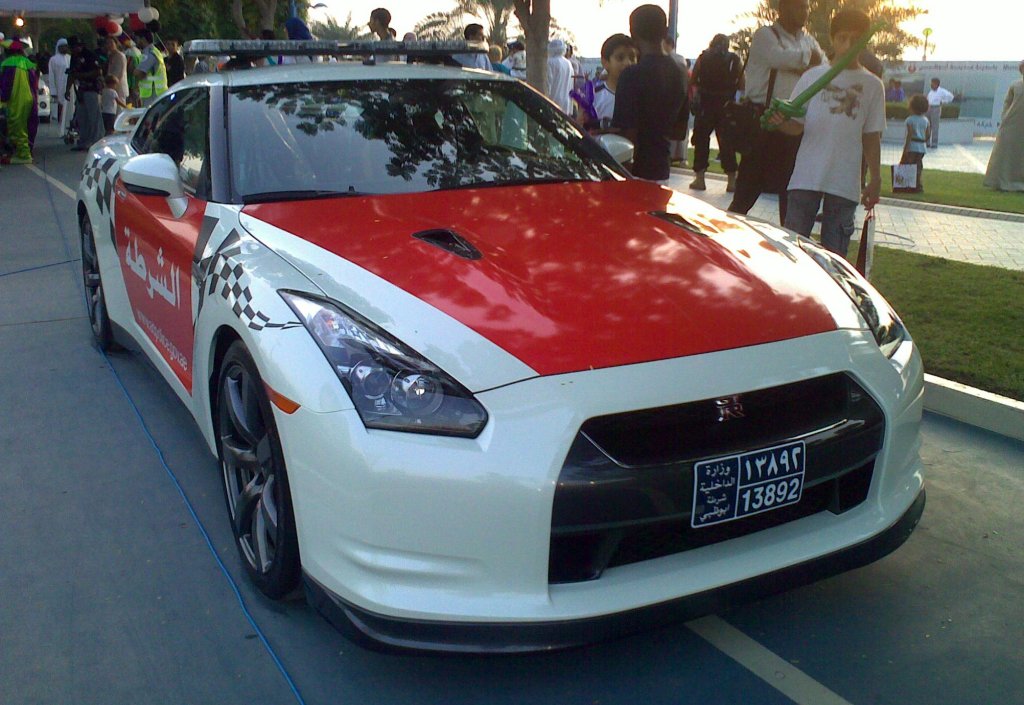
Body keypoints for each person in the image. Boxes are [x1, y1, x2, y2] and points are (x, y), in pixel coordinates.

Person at [766, 8, 885, 258]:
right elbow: (796, 125)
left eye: (856, 39)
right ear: (832, 39)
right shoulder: (812, 77)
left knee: (835, 257)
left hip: (844, 183)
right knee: (792, 253)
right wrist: (779, 122)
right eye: (842, 38)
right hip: (806, 178)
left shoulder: (873, 85)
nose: (848, 45)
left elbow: (871, 136)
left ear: (865, 41)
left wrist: (875, 178)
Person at [727, 0, 823, 225]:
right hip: (764, 123)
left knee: (789, 197)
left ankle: (787, 250)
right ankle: (723, 244)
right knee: (745, 195)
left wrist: (802, 61)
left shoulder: (808, 40)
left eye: (806, 7)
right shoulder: (765, 36)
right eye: (799, 6)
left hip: (793, 127)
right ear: (782, 9)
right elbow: (781, 58)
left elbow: (822, 66)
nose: (805, 12)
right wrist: (806, 60)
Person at [612, 5, 687, 182]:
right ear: (666, 31)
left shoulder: (631, 75)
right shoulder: (680, 73)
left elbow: (627, 136)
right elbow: (679, 132)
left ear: (632, 33)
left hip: (634, 172)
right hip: (662, 169)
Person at [689, 33, 743, 192]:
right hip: (726, 105)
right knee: (727, 143)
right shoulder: (734, 59)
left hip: (706, 105)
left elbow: (694, 80)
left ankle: (700, 180)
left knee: (701, 141)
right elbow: (741, 84)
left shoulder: (703, 57)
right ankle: (731, 181)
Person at [983, 61, 1024, 192]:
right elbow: (1007, 103)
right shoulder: (1015, 85)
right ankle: (1003, 180)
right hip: (1012, 123)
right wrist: (1005, 118)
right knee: (1007, 152)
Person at [0, 39, 40, 164]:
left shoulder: (8, 63)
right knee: (28, 125)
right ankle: (26, 150)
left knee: (17, 126)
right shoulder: (28, 63)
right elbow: (34, 83)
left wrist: (3, 98)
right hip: (30, 98)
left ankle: (24, 155)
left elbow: (6, 85)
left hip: (16, 99)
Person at [587, 33, 637, 129]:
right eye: (620, 58)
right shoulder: (593, 96)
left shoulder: (642, 97)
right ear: (605, 62)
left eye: (632, 58)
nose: (628, 63)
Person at [67, 36, 104, 151]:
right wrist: (67, 89)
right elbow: (72, 74)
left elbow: (97, 72)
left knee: (94, 116)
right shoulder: (74, 57)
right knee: (82, 117)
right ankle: (84, 141)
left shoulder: (89, 55)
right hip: (81, 89)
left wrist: (81, 75)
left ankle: (97, 141)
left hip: (92, 88)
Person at [662, 36, 691, 167]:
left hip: (671, 101)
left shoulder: (672, 60)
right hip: (682, 101)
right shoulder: (681, 60)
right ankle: (679, 157)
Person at [900, 93, 929, 192]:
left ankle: (907, 186)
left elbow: (909, 135)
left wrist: (905, 148)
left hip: (912, 145)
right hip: (921, 147)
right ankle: (918, 185)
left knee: (909, 165)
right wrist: (924, 141)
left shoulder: (909, 120)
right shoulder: (925, 120)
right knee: (918, 166)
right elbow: (928, 134)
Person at [133, 29, 167, 107]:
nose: (136, 41)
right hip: (154, 92)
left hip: (153, 93)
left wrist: (135, 70)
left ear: (143, 39)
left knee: (150, 118)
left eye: (137, 38)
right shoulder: (154, 51)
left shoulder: (150, 54)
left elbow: (139, 73)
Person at [546, 39, 574, 114]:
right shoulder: (569, 63)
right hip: (566, 103)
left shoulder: (550, 62)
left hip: (553, 100)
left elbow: (548, 84)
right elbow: (571, 86)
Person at [48, 38, 70, 127]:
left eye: (66, 46)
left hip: (69, 86)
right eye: (63, 47)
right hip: (59, 85)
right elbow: (51, 76)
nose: (64, 48)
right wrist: (53, 91)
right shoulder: (53, 59)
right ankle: (61, 125)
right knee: (61, 105)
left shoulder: (70, 58)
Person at [925, 78, 954, 148]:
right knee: (928, 126)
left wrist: (943, 101)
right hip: (929, 108)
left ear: (936, 84)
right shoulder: (931, 92)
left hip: (936, 108)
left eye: (932, 83)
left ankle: (934, 143)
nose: (931, 85)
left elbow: (951, 97)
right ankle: (927, 142)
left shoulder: (942, 91)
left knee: (935, 126)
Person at [104, 36, 129, 105]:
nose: (109, 45)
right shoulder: (110, 56)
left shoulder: (120, 56)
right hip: (111, 88)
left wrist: (111, 85)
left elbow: (118, 73)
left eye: (111, 43)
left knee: (120, 112)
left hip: (119, 88)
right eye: (107, 43)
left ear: (116, 43)